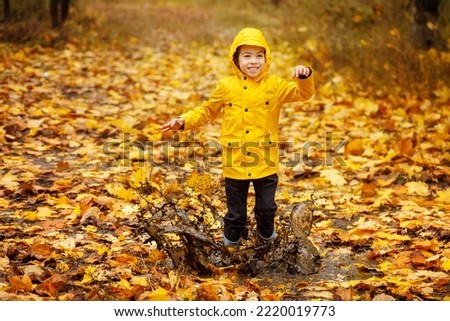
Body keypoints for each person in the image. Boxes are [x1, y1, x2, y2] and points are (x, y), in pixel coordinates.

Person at [162, 27, 315, 246]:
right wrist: (183, 120)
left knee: (266, 208)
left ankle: (267, 243)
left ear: (266, 58)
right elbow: (206, 111)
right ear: (236, 59)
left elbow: (303, 93)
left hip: (266, 160)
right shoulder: (226, 86)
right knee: (236, 215)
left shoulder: (274, 85)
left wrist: (305, 75)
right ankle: (230, 248)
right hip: (235, 160)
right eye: (247, 56)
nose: (254, 61)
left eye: (259, 56)